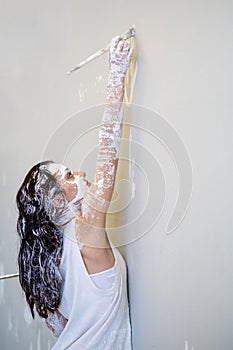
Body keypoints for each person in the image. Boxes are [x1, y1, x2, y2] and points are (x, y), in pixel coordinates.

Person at [16, 36, 134, 349]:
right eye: (69, 175)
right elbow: (108, 149)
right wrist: (117, 71)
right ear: (57, 199)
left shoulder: (45, 261)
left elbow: (60, 327)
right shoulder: (86, 230)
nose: (80, 174)